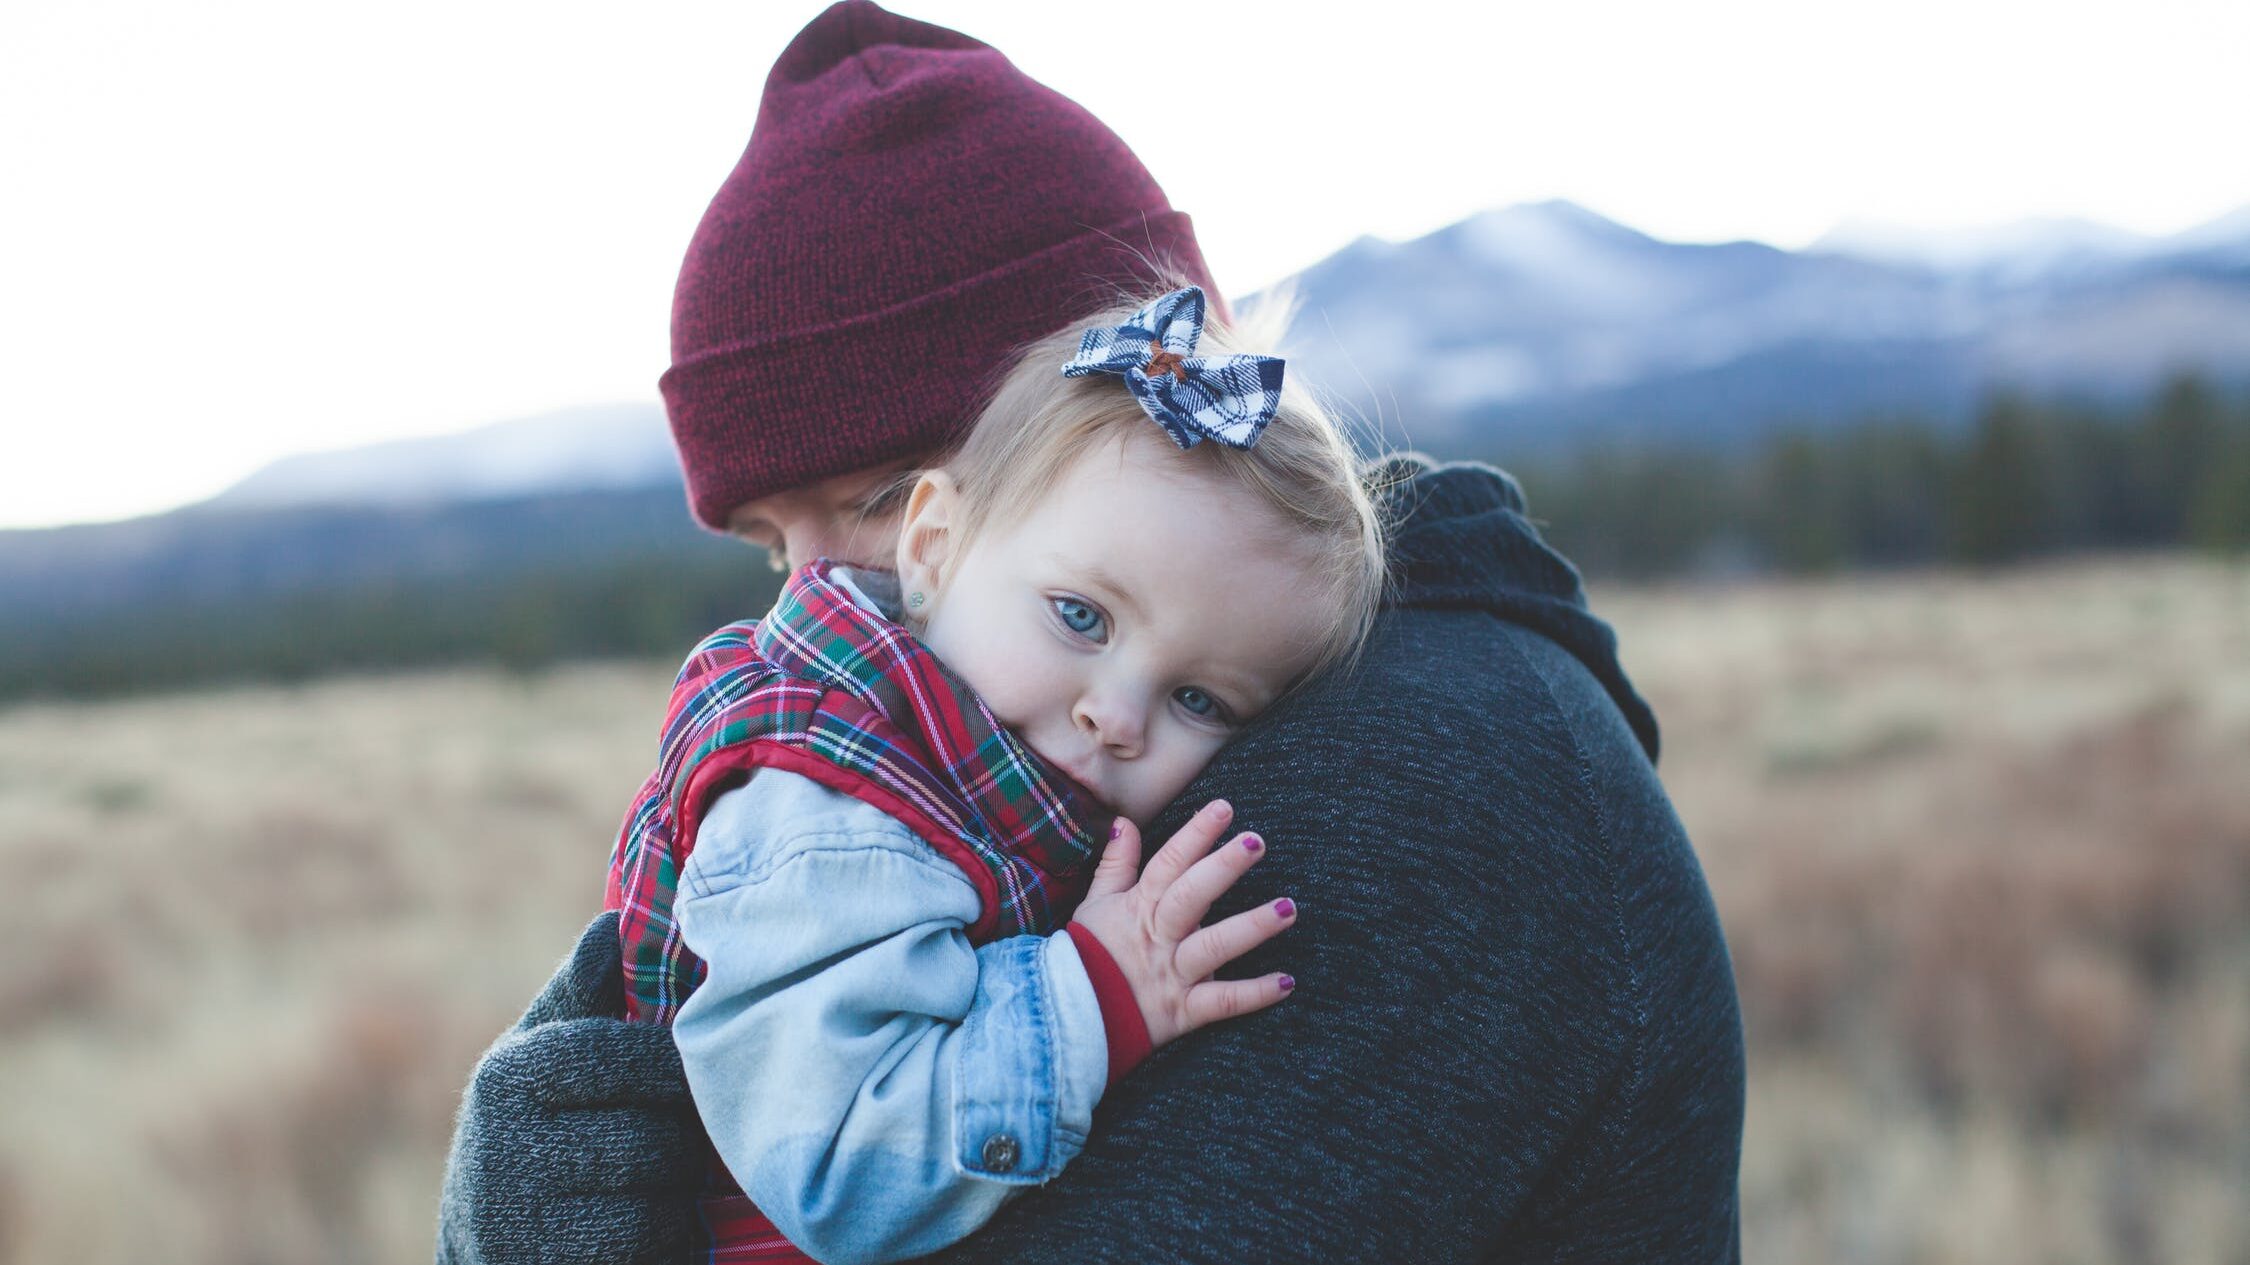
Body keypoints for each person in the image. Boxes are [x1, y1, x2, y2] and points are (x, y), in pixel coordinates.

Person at [436, 4, 1746, 1262]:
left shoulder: (1410, 793)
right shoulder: (1014, 764)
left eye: (882, 506)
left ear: (1130, 417)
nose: (813, 604)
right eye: (775, 548)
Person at [604, 284, 1384, 1262]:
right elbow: (843, 1169)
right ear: (933, 547)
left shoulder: (983, 767)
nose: (1119, 714)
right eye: (1080, 615)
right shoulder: (829, 808)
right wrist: (1094, 990)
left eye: (1201, 699)